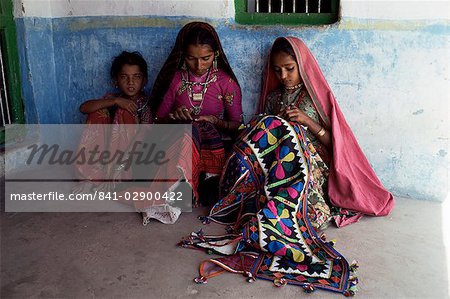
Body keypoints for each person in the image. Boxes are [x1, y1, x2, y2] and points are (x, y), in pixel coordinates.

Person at [180, 37, 394, 296]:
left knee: (286, 134)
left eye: (289, 68)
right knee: (264, 129)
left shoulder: (316, 97)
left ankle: (289, 210)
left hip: (311, 165)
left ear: (302, 66)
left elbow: (334, 146)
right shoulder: (273, 99)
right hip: (277, 168)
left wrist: (306, 123)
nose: (283, 76)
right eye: (278, 70)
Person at [139, 22, 242, 225]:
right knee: (187, 131)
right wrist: (174, 117)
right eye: (191, 58)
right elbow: (158, 120)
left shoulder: (226, 83)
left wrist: (214, 121)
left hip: (213, 145)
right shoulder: (175, 80)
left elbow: (237, 125)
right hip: (179, 140)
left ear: (216, 55)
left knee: (195, 131)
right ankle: (174, 196)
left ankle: (188, 188)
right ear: (181, 55)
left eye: (206, 58)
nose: (198, 65)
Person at [74, 51, 152, 194]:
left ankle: (115, 180)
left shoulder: (146, 105)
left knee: (126, 112)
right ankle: (90, 177)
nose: (131, 82)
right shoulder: (112, 98)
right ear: (116, 81)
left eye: (137, 77)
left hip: (131, 158)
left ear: (144, 80)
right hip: (105, 155)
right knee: (98, 112)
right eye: (124, 77)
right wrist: (115, 101)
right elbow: (84, 108)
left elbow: (143, 136)